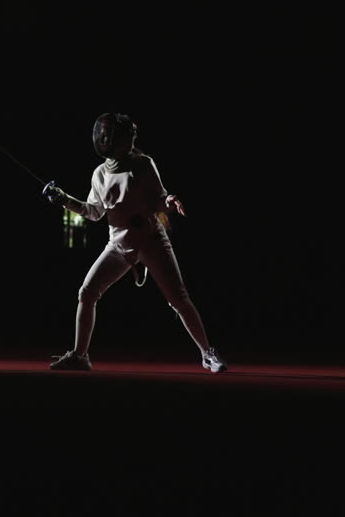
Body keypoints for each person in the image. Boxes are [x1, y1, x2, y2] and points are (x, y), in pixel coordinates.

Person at [42, 113, 226, 372]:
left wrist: (169, 202)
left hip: (151, 242)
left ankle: (208, 354)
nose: (129, 139)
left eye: (128, 135)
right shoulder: (99, 175)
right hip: (118, 245)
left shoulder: (143, 164)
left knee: (179, 299)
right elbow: (94, 212)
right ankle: (80, 355)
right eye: (123, 136)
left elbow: (159, 200)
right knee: (87, 292)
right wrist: (64, 199)